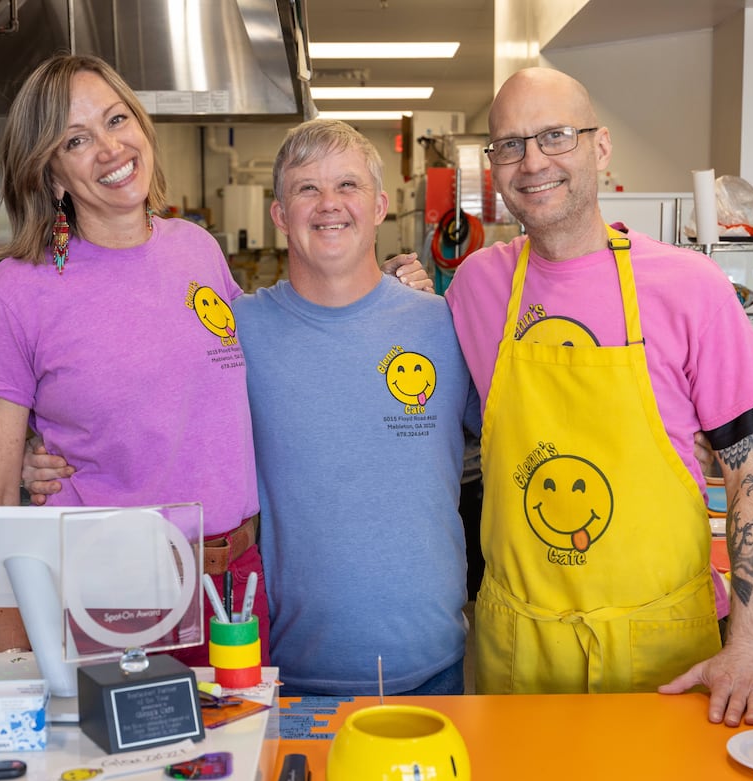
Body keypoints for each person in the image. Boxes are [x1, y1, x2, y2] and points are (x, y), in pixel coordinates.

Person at [28, 119, 479, 696]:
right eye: (306, 189)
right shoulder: (234, 336)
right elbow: (136, 410)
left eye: (348, 186)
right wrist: (37, 453)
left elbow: (509, 431)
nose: (329, 205)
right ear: (279, 215)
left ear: (381, 206)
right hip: (285, 670)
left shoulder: (442, 324)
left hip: (434, 663)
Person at [445, 68, 753, 726]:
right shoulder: (474, 289)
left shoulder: (691, 286)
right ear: (493, 166)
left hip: (664, 657)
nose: (532, 161)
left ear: (600, 148)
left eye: (554, 136)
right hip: (519, 656)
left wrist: (748, 645)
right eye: (509, 144)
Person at [0, 54, 269, 658]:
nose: (110, 149)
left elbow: (245, 372)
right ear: (50, 173)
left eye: (117, 119)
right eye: (77, 139)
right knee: (118, 756)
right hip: (111, 592)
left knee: (237, 750)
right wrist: (14, 663)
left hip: (235, 582)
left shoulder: (197, 250)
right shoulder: (14, 292)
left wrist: (380, 286)